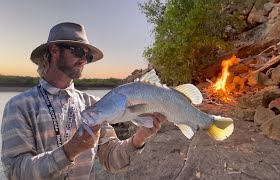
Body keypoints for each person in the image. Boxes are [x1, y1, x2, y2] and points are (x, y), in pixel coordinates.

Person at [1, 22, 167, 180]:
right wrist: (69, 150)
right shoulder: (19, 106)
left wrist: (139, 138)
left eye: (88, 56)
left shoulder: (94, 105)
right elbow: (16, 172)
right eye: (78, 52)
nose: (84, 60)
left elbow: (111, 160)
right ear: (54, 50)